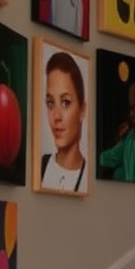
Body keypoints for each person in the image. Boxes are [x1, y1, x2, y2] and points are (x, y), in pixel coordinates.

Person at [40, 49, 87, 193]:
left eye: (66, 102)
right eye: (50, 103)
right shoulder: (39, 166)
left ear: (82, 111)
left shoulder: (88, 177)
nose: (57, 116)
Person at [99, 80, 135, 182]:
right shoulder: (129, 136)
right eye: (131, 107)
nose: (132, 113)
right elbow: (112, 156)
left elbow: (131, 176)